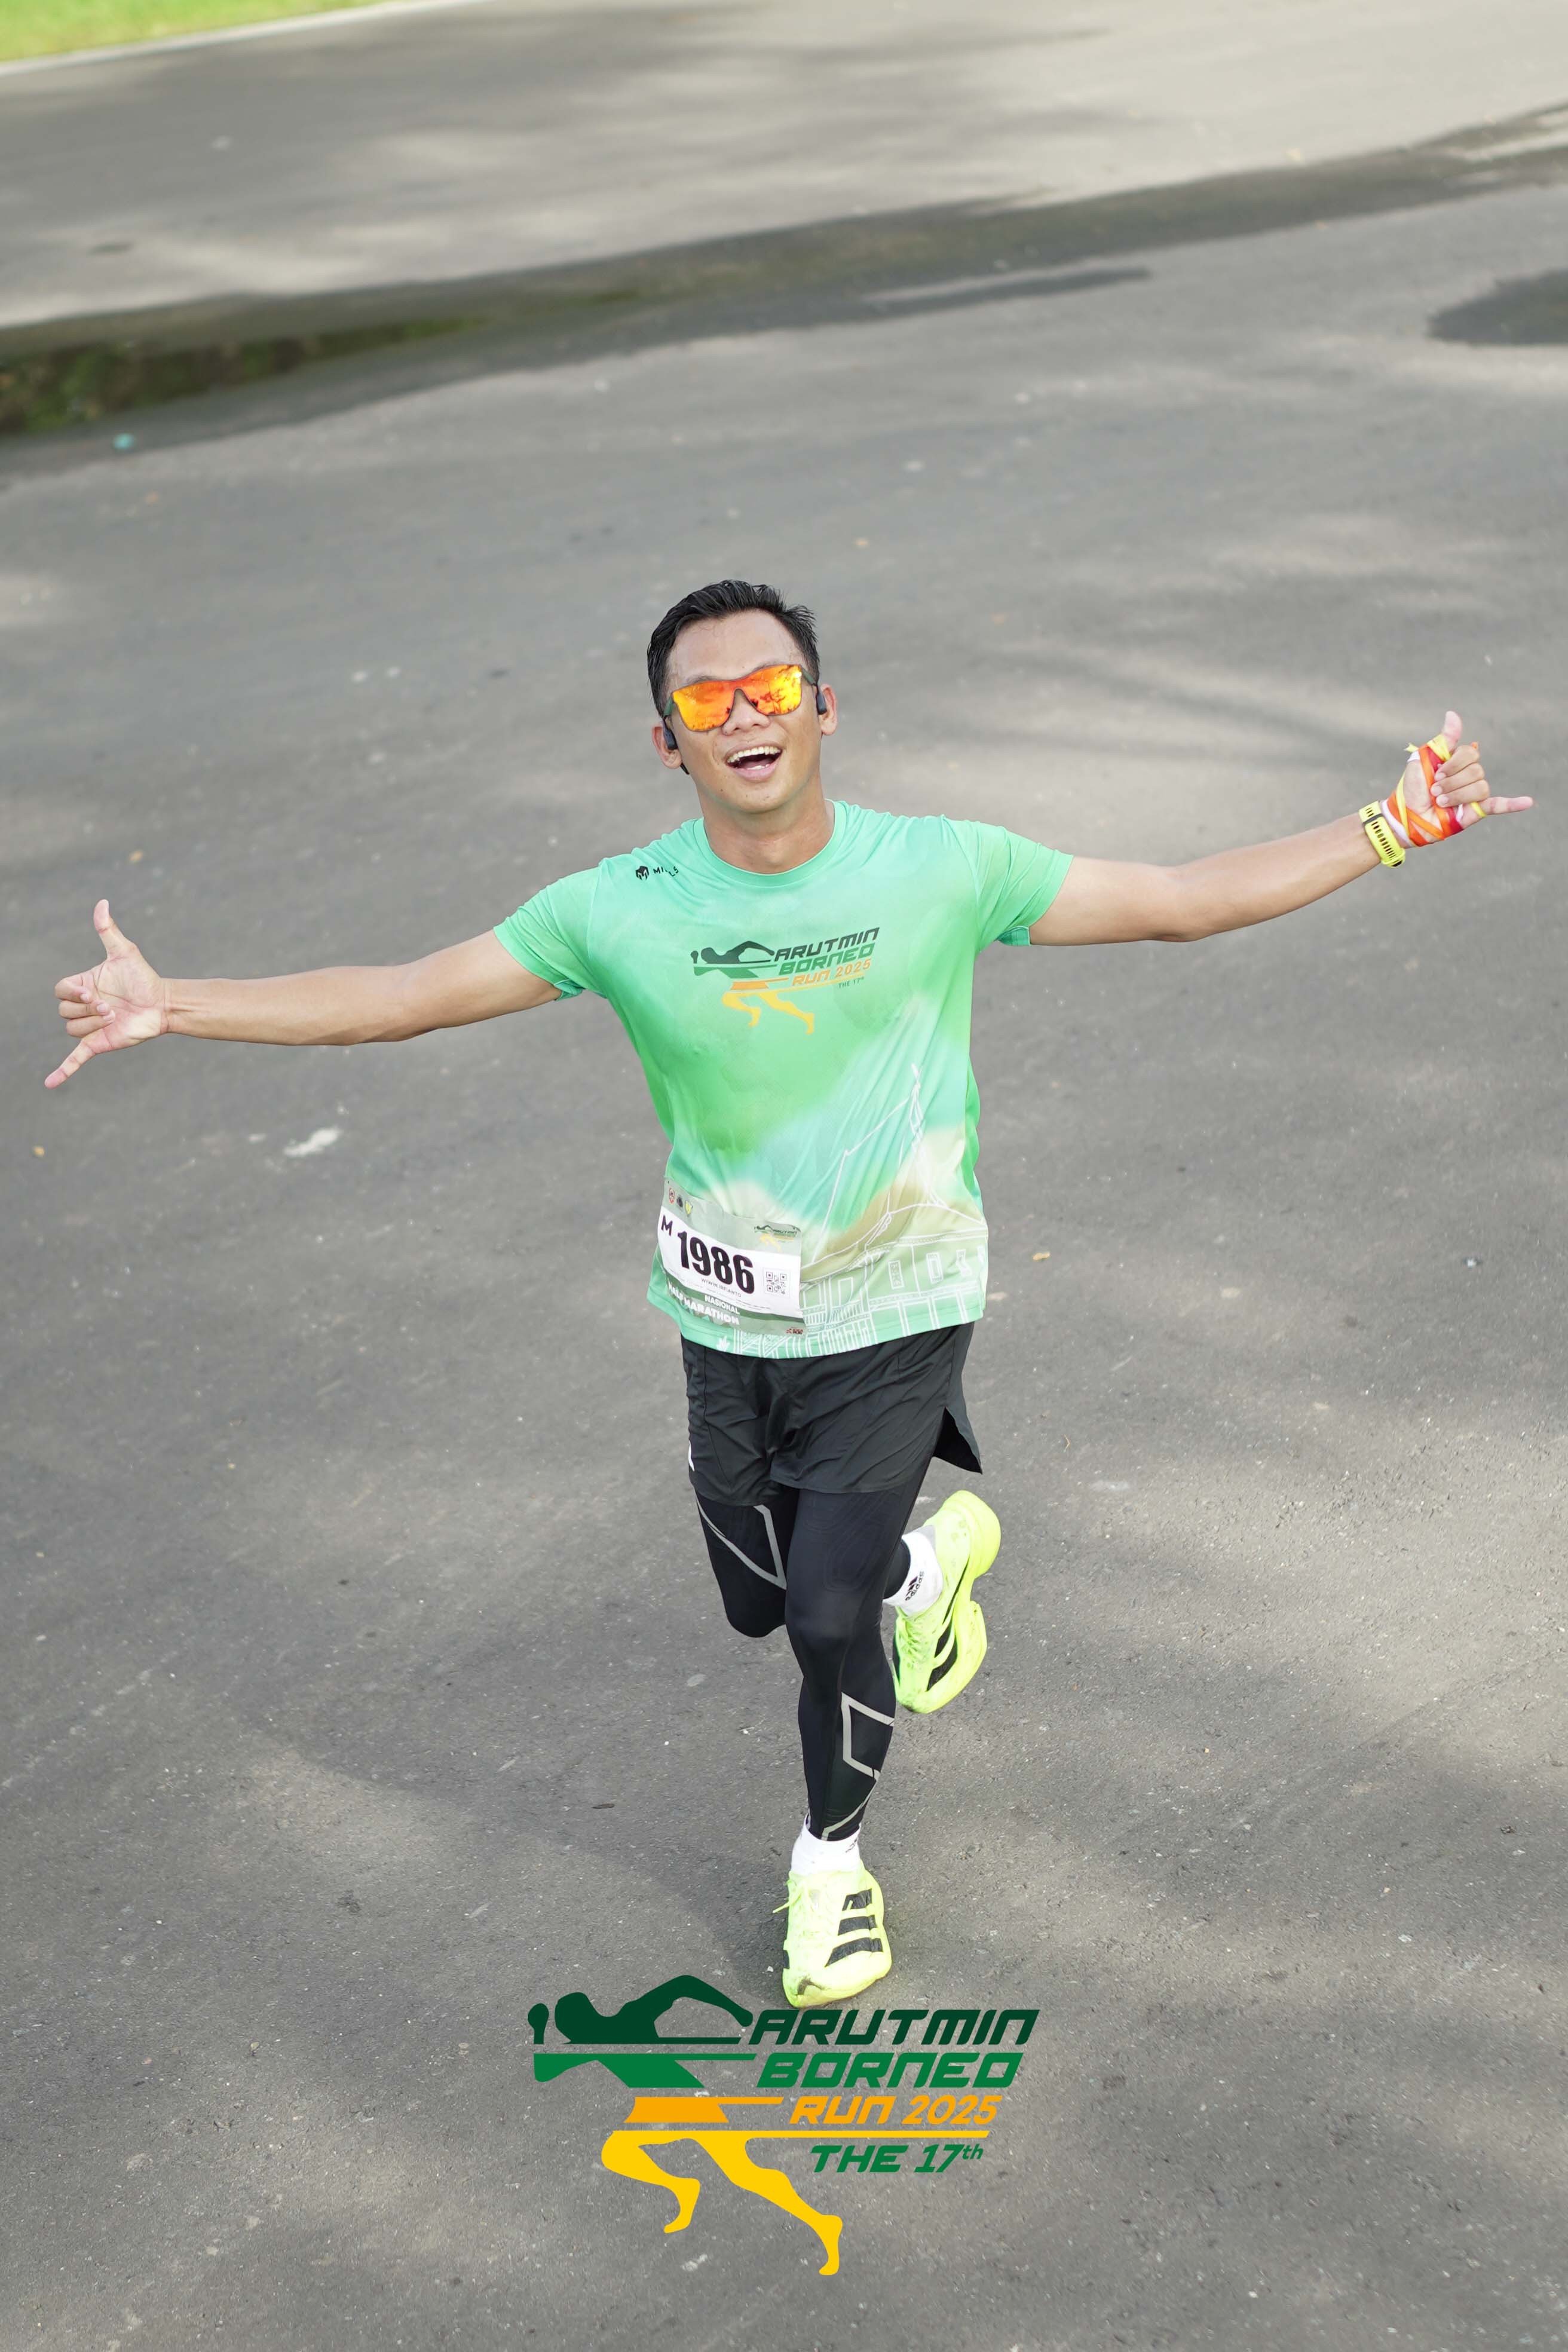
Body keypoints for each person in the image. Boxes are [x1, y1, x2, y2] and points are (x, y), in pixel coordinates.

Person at [46, 578, 1530, 2008]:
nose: (744, 715)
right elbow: (398, 997)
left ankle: (830, 1864)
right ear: (668, 742)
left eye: (770, 687)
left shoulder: (940, 868)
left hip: (900, 1301)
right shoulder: (613, 908)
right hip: (727, 1317)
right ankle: (920, 1571)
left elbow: (1179, 900)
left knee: (821, 1618)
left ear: (824, 707)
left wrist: (1389, 826)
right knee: (760, 1602)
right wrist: (177, 1006)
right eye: (707, 701)